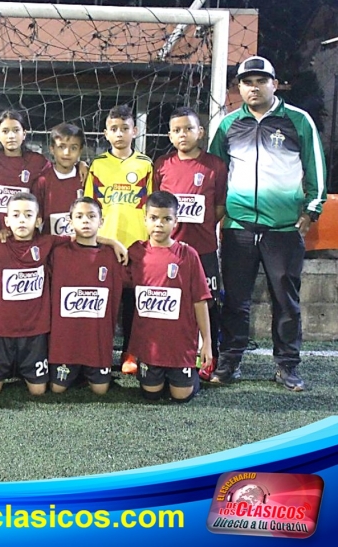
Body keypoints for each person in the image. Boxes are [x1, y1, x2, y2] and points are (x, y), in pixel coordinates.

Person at [208, 56, 327, 391]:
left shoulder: (298, 121)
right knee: (234, 300)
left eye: (261, 81)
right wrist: (221, 215)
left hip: (283, 229)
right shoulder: (229, 125)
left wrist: (310, 211)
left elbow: (316, 167)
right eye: (247, 82)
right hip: (239, 227)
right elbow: (216, 174)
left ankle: (287, 365)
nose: (254, 87)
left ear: (275, 84)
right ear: (239, 88)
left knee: (285, 300)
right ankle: (229, 361)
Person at [0, 192, 126, 396]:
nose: (22, 220)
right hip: (1, 330)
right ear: (6, 220)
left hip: (36, 330)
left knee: (40, 391)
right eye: (15, 215)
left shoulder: (48, 243)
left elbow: (81, 235)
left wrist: (112, 242)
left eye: (28, 215)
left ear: (38, 220)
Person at [154, 107, 227, 379]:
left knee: (209, 304)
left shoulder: (215, 166)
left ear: (200, 132)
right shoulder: (162, 165)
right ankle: (171, 355)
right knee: (173, 303)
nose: (182, 134)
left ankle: (209, 356)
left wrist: (203, 227)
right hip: (171, 252)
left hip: (204, 249)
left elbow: (219, 207)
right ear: (170, 135)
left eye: (188, 128)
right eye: (176, 130)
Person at [84, 104, 153, 375]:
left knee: (133, 302)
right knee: (105, 300)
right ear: (105, 133)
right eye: (114, 129)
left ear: (134, 131)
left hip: (137, 244)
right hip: (105, 244)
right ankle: (100, 350)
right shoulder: (98, 165)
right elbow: (90, 205)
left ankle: (131, 353)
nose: (120, 133)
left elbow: (153, 206)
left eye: (125, 128)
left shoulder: (146, 164)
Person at [126, 191, 213, 403]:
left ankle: (189, 377)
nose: (159, 224)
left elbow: (199, 300)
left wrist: (207, 342)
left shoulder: (187, 255)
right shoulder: (136, 252)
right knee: (151, 395)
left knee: (181, 397)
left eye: (166, 219)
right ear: (145, 219)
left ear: (176, 221)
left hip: (180, 345)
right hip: (150, 346)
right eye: (154, 218)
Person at [49, 197, 124, 395]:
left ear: (101, 221)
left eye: (92, 216)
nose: (85, 221)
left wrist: (112, 243)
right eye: (79, 216)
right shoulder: (57, 253)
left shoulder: (113, 255)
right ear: (70, 221)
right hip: (64, 343)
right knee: (57, 389)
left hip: (97, 344)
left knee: (100, 390)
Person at [0, 110, 51, 234]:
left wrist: (79, 166)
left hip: (26, 236)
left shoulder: (37, 161)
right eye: (5, 131)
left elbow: (60, 174)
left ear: (24, 134)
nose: (11, 136)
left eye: (16, 130)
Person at [32, 123, 86, 235]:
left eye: (73, 148)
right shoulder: (43, 181)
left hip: (80, 246)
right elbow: (35, 219)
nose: (67, 152)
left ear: (80, 151)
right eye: (61, 147)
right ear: (52, 149)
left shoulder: (85, 177)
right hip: (51, 247)